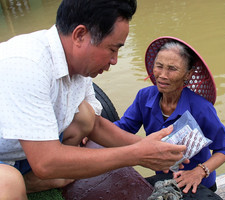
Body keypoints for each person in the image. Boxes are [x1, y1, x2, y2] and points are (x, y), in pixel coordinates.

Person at [0, 1, 188, 199]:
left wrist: (146, 145)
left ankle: (31, 179)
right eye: (112, 49)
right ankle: (27, 181)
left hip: (22, 152)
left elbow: (95, 126)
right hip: (10, 158)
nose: (114, 60)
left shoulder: (75, 64)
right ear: (80, 35)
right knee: (9, 183)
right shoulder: (26, 65)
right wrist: (136, 155)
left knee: (85, 115)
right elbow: (45, 161)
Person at [115, 36, 225, 196]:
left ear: (187, 74)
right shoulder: (144, 97)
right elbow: (124, 128)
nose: (163, 75)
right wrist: (92, 133)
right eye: (159, 66)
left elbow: (224, 149)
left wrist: (199, 172)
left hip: (197, 185)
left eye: (172, 69)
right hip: (163, 180)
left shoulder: (201, 108)